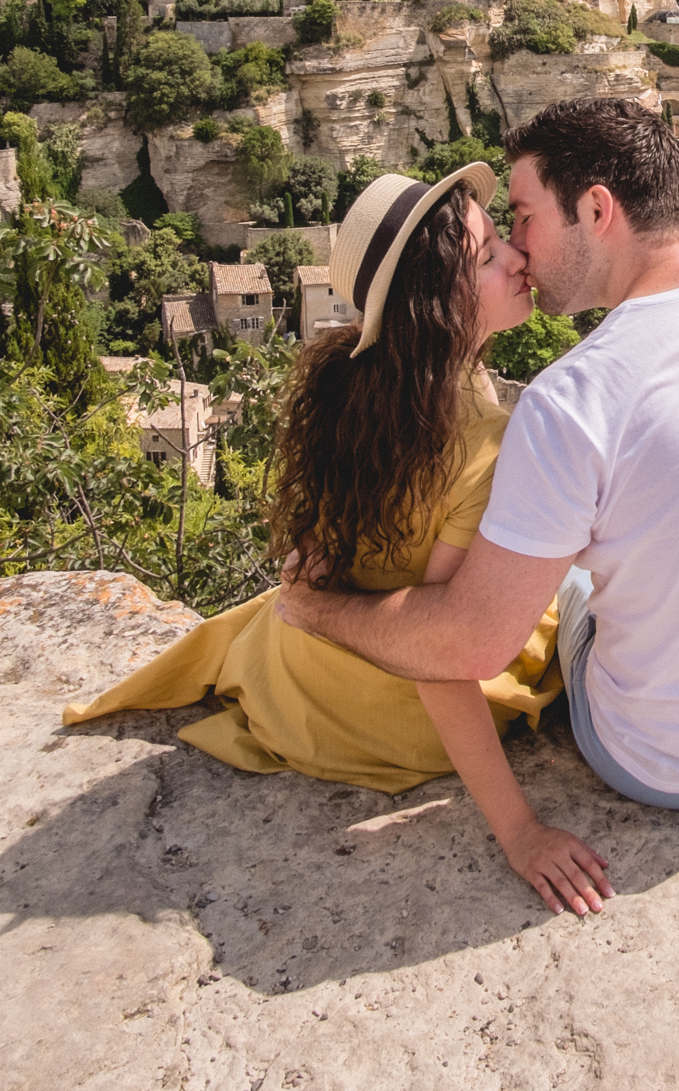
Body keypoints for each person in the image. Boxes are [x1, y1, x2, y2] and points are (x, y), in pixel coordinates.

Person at [277, 96, 679, 820]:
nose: (519, 246)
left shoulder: (569, 401)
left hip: (661, 763)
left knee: (574, 565)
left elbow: (467, 645)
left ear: (597, 210)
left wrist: (316, 605)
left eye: (524, 215)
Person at [64, 163, 613, 915]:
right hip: (403, 717)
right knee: (579, 581)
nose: (518, 257)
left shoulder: (351, 375)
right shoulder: (483, 439)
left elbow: (329, 557)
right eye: (485, 257)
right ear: (436, 303)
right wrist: (520, 830)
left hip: (308, 689)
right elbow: (444, 650)